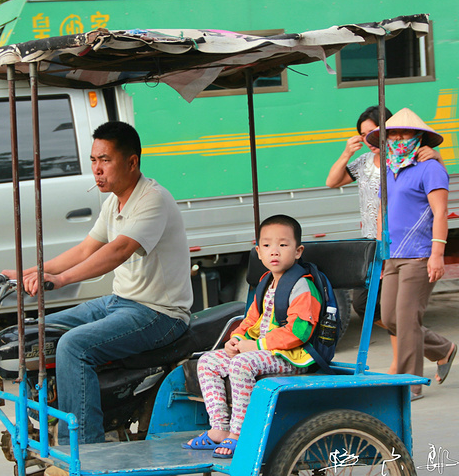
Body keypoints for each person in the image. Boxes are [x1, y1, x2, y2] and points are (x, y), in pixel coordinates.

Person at [2, 121, 192, 444]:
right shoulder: (113, 203)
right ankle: (47, 416)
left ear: (132, 162)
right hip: (120, 303)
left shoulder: (153, 199)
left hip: (161, 314)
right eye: (93, 160)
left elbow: (118, 250)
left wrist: (60, 280)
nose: (97, 170)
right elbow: (85, 249)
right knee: (36, 332)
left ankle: (84, 447)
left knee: (74, 346)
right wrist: (30, 273)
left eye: (105, 160)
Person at [183, 215, 321, 458]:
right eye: (267, 246)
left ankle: (239, 433)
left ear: (298, 251)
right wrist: (235, 339)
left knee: (241, 364)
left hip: (289, 356)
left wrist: (256, 345)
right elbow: (250, 321)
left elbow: (299, 332)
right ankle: (219, 429)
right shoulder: (266, 283)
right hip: (262, 351)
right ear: (258, 252)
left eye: (283, 245)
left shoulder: (302, 287)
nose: (274, 252)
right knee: (208, 362)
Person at [326, 105, 442, 373]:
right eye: (366, 134)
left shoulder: (406, 160)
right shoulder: (371, 164)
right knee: (372, 307)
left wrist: (436, 155)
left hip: (405, 246)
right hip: (374, 243)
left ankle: (400, 368)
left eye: (375, 132)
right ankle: (440, 348)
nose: (373, 139)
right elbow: (332, 181)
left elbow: (436, 186)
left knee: (398, 312)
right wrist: (347, 151)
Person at [366, 108, 456, 401]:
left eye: (405, 133)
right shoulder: (390, 169)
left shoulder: (430, 167)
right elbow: (383, 212)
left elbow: (440, 212)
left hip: (419, 256)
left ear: (419, 137)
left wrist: (437, 254)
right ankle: (443, 348)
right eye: (393, 133)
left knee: (405, 321)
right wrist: (381, 252)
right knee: (389, 318)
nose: (399, 138)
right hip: (393, 255)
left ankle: (410, 384)